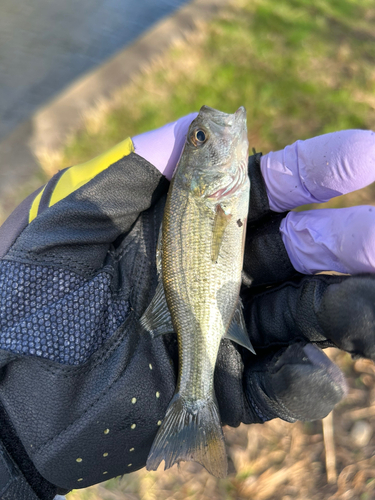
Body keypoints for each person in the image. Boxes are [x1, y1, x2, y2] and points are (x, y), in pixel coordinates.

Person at [0, 111, 374, 500]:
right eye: (200, 138)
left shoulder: (214, 189)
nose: (207, 133)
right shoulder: (211, 191)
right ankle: (194, 401)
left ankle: (194, 409)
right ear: (200, 177)